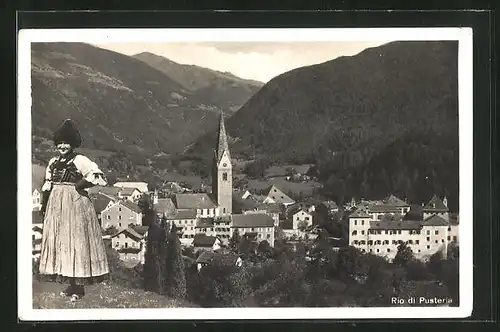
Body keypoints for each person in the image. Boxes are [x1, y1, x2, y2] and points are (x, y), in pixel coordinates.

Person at [38, 119, 109, 302]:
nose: (62, 146)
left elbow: (96, 174)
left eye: (66, 142)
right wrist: (44, 207)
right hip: (57, 205)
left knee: (76, 243)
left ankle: (79, 288)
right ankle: (70, 285)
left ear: (73, 143)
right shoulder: (53, 162)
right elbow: (47, 185)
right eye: (60, 143)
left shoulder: (80, 160)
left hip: (75, 204)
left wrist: (79, 185)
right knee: (63, 243)